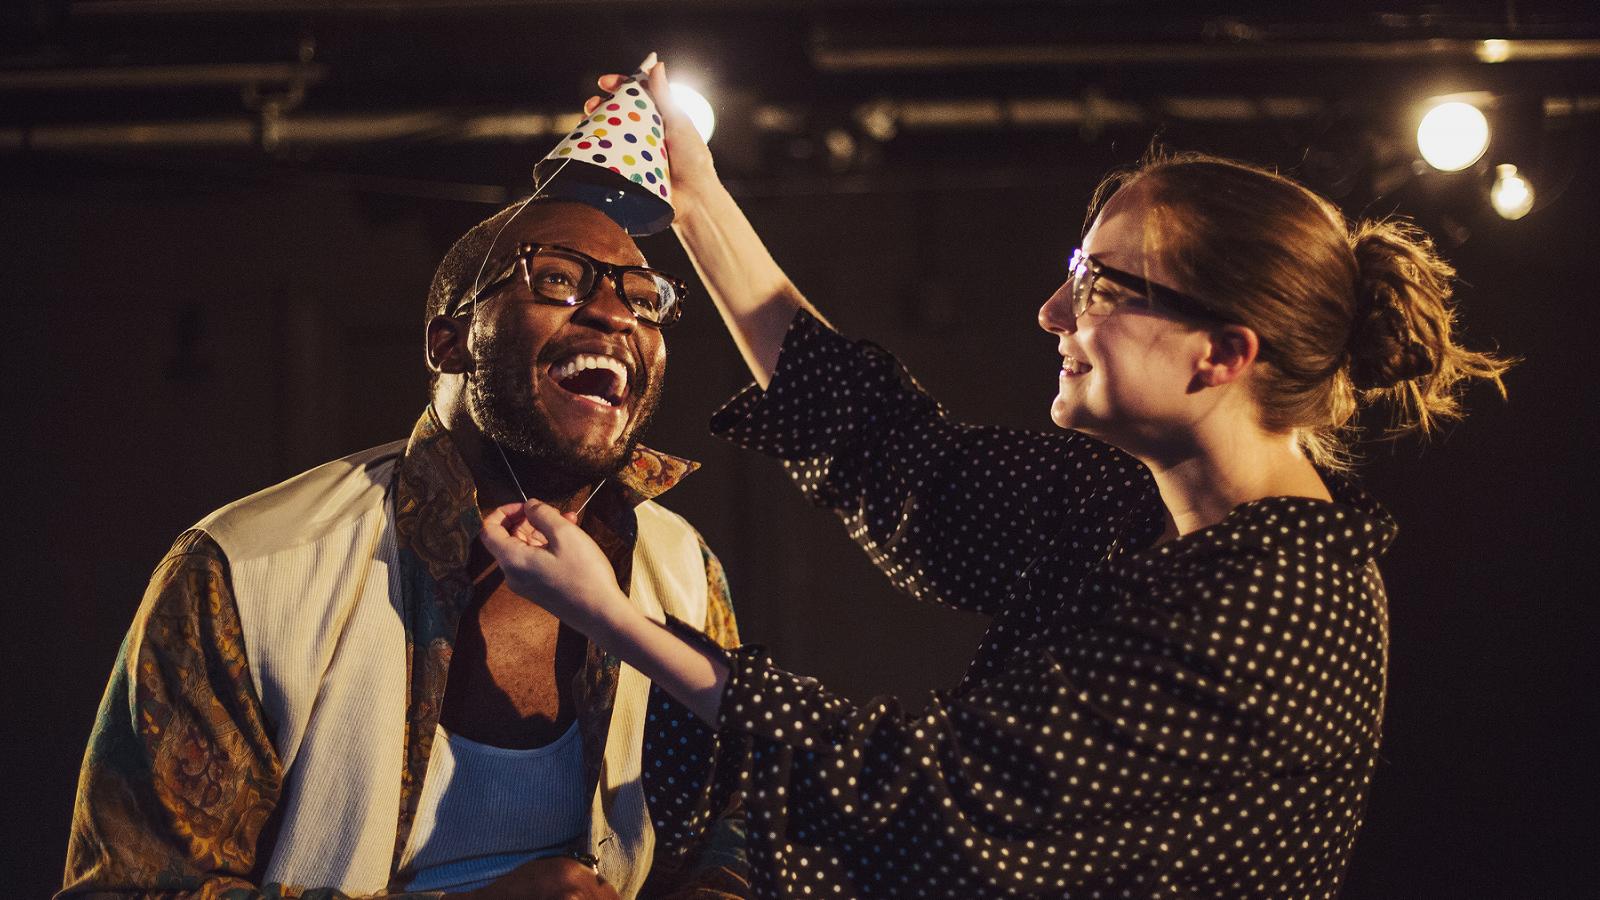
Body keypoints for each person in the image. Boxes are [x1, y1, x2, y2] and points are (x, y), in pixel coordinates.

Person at [474, 62, 1512, 898]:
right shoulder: (1135, 505)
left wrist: (612, 619)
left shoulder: (1277, 612)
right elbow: (893, 453)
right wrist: (694, 195)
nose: (1053, 316)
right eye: (1072, 270)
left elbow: (929, 796)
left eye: (1098, 286)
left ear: (1219, 355)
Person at [61, 197, 751, 899]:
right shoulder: (243, 568)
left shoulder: (682, 568)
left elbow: (733, 827)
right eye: (557, 279)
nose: (614, 314)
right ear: (448, 343)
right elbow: (131, 888)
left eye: (643, 297)